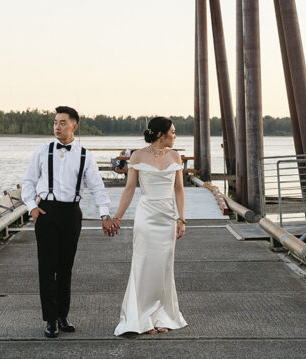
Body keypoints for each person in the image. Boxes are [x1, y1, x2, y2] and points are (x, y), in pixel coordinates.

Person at [22, 106, 120, 338]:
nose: (58, 126)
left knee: (65, 267)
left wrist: (105, 214)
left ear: (74, 126)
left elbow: (97, 186)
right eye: (55, 122)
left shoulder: (85, 155)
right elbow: (28, 181)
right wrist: (32, 207)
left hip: (71, 213)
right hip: (46, 211)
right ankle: (50, 319)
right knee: (46, 267)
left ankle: (62, 315)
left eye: (63, 122)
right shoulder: (41, 151)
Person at [112, 116, 188, 336]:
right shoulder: (137, 156)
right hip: (146, 216)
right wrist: (117, 217)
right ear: (159, 134)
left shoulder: (175, 156)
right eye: (172, 132)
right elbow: (129, 189)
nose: (174, 136)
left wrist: (181, 219)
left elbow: (179, 190)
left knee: (164, 267)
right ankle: (140, 317)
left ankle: (162, 315)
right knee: (143, 264)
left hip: (167, 217)